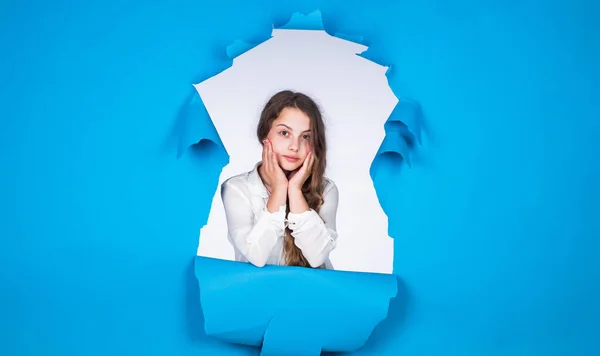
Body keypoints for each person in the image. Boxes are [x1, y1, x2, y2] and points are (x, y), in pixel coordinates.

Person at [220, 90, 339, 269]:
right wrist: (279, 189)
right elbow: (256, 257)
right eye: (284, 133)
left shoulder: (326, 189)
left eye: (305, 136)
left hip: (313, 293)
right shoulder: (237, 189)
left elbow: (317, 257)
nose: (294, 146)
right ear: (264, 135)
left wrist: (295, 190)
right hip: (258, 293)